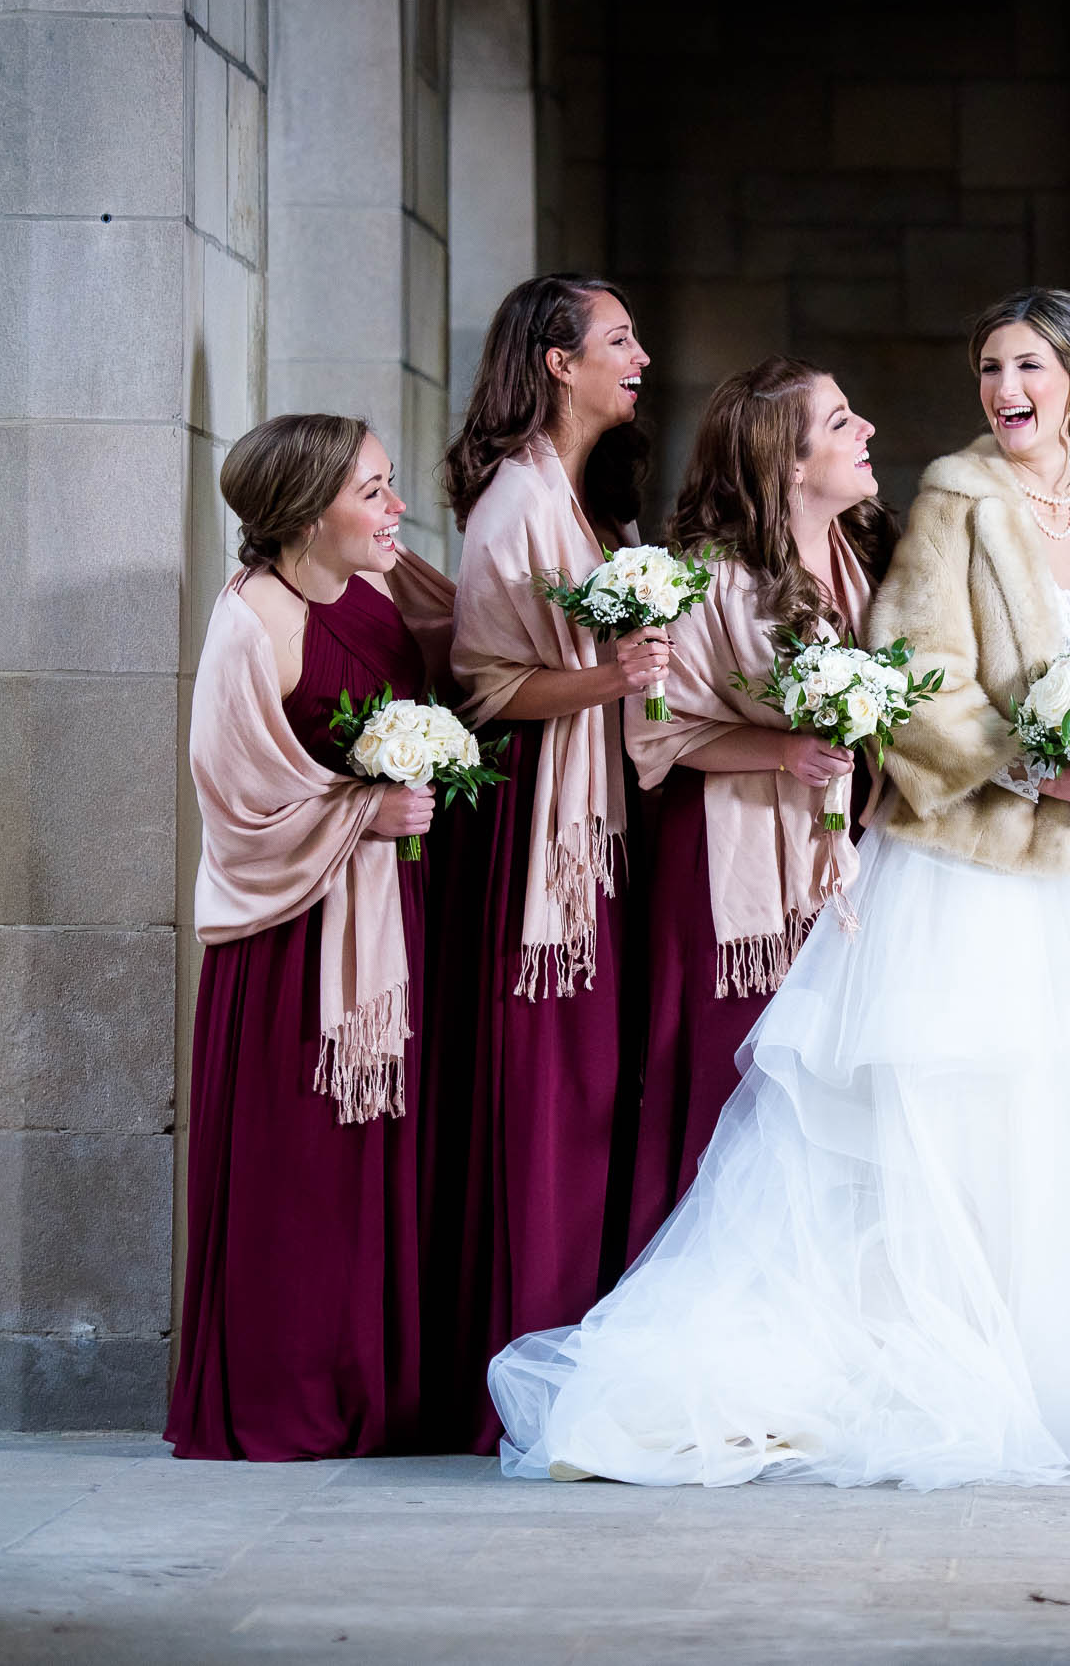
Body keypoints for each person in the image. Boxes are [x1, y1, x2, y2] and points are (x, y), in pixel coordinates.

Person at [485, 288, 1070, 1489]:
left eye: (1025, 365)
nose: (997, 389)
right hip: (928, 853)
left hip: (1033, 866)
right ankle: (904, 1359)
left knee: (1064, 1114)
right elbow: (923, 700)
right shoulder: (938, 511)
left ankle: (1056, 1365)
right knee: (912, 1114)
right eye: (987, 366)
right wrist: (1027, 764)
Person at [169, 414, 454, 1460]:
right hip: (288, 943)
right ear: (305, 509)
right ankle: (279, 1401)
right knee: (297, 1182)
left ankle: (365, 1396)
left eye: (390, 484)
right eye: (374, 491)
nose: (397, 508)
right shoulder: (252, 621)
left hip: (380, 921)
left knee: (367, 1168)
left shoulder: (378, 587)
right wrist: (360, 814)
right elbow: (233, 798)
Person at [433, 274, 673, 1451]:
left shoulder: (584, 499)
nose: (641, 356)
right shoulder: (516, 501)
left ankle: (579, 1351)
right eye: (618, 340)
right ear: (555, 362)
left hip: (596, 812)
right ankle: (525, 1376)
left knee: (596, 1089)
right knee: (554, 1089)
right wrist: (611, 680)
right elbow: (484, 684)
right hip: (539, 830)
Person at [620, 358, 894, 1258]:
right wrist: (782, 748)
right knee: (735, 1077)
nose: (868, 434)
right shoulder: (711, 577)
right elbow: (658, 736)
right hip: (729, 868)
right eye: (844, 421)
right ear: (787, 462)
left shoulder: (865, 555)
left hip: (843, 861)